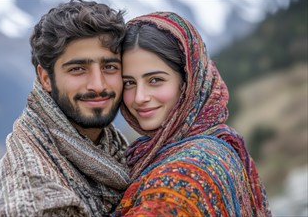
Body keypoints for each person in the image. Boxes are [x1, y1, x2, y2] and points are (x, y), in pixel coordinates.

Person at [0, 0, 130, 216]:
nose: (98, 85)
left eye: (109, 66)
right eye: (78, 69)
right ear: (46, 78)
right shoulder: (30, 200)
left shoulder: (117, 153)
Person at [112, 12, 272, 216]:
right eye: (129, 83)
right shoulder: (215, 143)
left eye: (155, 80)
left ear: (188, 82)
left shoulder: (183, 175)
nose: (139, 97)